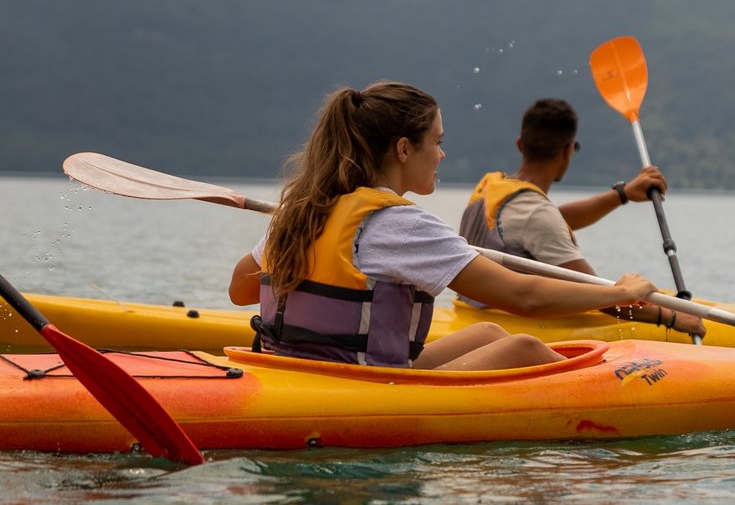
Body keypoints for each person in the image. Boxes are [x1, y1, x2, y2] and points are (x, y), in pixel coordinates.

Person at [228, 81, 661, 371]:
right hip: (363, 384)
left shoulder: (303, 209)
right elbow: (524, 296)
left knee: (490, 333)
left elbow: (241, 290)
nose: (441, 155)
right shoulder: (400, 225)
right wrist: (621, 293)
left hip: (299, 369)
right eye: (436, 141)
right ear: (403, 149)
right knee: (524, 346)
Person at [458, 98, 705, 337]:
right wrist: (672, 317)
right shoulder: (537, 216)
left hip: (468, 316)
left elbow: (551, 222)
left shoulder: (493, 186)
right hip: (509, 328)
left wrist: (622, 194)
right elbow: (602, 297)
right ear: (567, 151)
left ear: (520, 145)